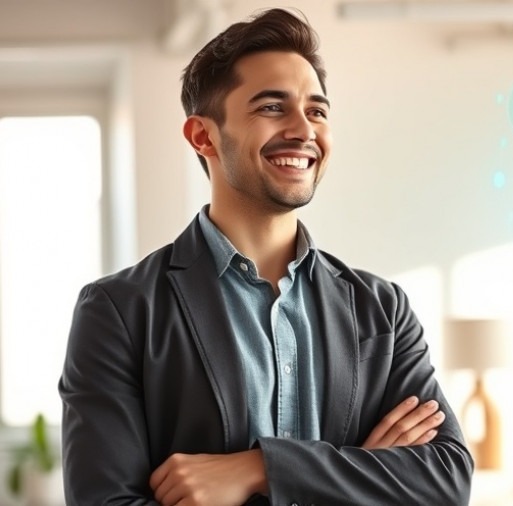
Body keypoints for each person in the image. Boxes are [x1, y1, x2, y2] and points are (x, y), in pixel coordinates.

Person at [58, 7, 473, 505]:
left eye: (317, 110)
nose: (304, 129)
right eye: (272, 107)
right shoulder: (120, 311)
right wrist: (361, 475)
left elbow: (446, 479)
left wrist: (260, 468)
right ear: (203, 135)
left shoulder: (382, 310)